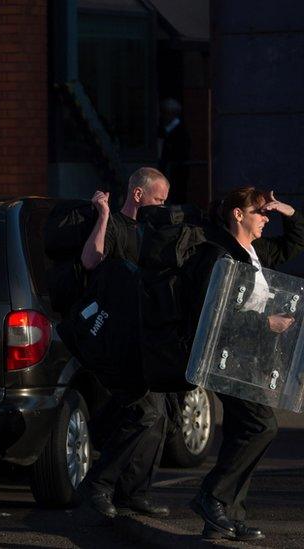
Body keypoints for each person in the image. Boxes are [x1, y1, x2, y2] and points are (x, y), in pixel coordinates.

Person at [185, 187, 302, 541]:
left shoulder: (256, 252)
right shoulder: (220, 256)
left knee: (240, 433)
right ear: (238, 215)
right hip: (226, 360)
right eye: (259, 213)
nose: (266, 219)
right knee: (261, 427)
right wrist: (266, 324)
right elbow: (217, 316)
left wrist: (287, 210)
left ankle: (227, 517)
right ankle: (212, 495)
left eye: (268, 214)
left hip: (253, 362)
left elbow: (295, 243)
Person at [78, 168, 172, 519]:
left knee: (159, 416)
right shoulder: (116, 225)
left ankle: (134, 492)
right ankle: (100, 484)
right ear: (138, 195)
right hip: (119, 338)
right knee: (146, 411)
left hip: (149, 337)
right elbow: (91, 260)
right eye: (158, 199)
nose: (162, 206)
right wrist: (102, 215)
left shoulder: (154, 230)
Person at [157, 98, 191, 205]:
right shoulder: (164, 130)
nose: (163, 116)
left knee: (176, 194)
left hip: (176, 170)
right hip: (168, 169)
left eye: (165, 113)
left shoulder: (180, 131)